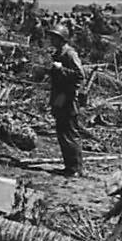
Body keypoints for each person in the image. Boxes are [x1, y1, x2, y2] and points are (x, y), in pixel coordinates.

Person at [47, 24, 85, 178]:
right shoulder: (59, 53)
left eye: (54, 37)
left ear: (61, 39)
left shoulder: (70, 54)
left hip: (68, 98)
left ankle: (75, 168)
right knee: (62, 132)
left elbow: (79, 75)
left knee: (70, 132)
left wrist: (60, 69)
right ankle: (69, 166)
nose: (51, 40)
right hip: (60, 97)